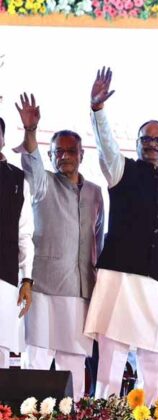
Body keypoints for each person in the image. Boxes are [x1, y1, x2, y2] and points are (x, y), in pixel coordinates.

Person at [83, 67, 158, 405]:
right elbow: (106, 146)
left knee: (153, 367)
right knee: (111, 365)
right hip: (120, 279)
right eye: (146, 139)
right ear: (137, 143)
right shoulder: (121, 171)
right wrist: (98, 109)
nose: (153, 145)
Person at [15, 93, 104, 400]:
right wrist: (30, 131)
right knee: (37, 359)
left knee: (74, 363)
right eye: (58, 152)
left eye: (71, 151)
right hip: (43, 286)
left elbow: (98, 242)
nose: (65, 156)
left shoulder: (95, 193)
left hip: (80, 289)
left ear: (82, 154)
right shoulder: (43, 184)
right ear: (51, 156)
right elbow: (32, 163)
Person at [0, 115, 34, 369]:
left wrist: (27, 279)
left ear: (2, 139)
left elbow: (24, 233)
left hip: (5, 276)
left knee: (1, 350)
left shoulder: (17, 178)